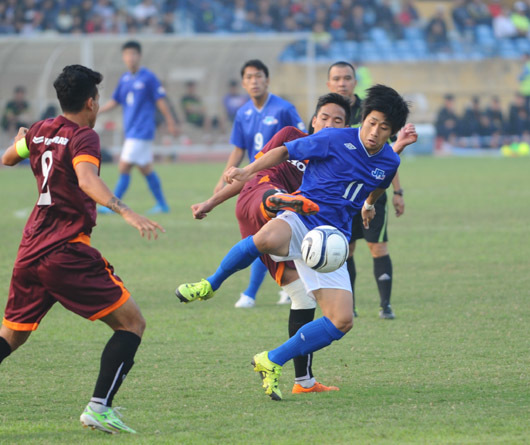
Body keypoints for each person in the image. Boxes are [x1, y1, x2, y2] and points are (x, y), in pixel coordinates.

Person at [0, 64, 164, 438]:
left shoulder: (41, 129)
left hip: (31, 250)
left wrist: (20, 141)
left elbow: (8, 157)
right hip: (66, 250)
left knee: (10, 335)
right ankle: (99, 409)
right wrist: (125, 210)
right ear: (91, 102)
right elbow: (88, 179)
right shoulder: (84, 137)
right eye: (98, 100)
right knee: (132, 324)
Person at [175, 84, 414, 401]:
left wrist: (369, 205)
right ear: (363, 118)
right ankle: (210, 283)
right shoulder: (333, 138)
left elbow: (378, 184)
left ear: (392, 131)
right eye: (371, 122)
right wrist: (246, 171)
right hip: (303, 218)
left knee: (342, 320)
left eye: (384, 128)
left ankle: (271, 360)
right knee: (265, 238)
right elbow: (286, 151)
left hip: (331, 242)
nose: (374, 132)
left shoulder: (388, 161)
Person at [183, 93, 352, 394]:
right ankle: (213, 281)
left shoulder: (338, 159)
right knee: (273, 198)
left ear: (345, 127)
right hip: (260, 199)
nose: (328, 124)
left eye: (337, 121)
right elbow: (252, 170)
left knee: (303, 296)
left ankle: (303, 382)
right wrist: (211, 202)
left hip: (292, 228)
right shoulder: (291, 138)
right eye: (324, 118)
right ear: (313, 121)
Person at [216, 59, 306, 309]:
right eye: (249, 77)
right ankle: (285, 287)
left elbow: (301, 141)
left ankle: (251, 293)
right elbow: (238, 149)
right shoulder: (243, 113)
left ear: (267, 80)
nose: (254, 81)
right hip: (253, 181)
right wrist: (222, 181)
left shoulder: (284, 109)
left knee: (263, 237)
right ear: (243, 83)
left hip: (281, 181)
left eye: (259, 76)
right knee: (264, 237)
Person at [326, 61, 405, 319]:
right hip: (341, 196)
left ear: (354, 81)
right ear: (329, 83)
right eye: (336, 78)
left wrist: (397, 192)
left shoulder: (373, 111)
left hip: (372, 194)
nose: (342, 83)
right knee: (344, 250)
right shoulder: (326, 113)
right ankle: (351, 305)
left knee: (377, 247)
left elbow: (389, 157)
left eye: (347, 78)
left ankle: (385, 305)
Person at [98, 40, 178, 214]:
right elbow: (115, 101)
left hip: (142, 130)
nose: (130, 57)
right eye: (127, 54)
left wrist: (170, 121)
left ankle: (113, 205)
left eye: (134, 54)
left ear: (139, 56)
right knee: (145, 168)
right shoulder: (125, 79)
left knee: (124, 166)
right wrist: (98, 111)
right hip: (131, 130)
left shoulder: (148, 77)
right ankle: (162, 204)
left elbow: (161, 101)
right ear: (123, 57)